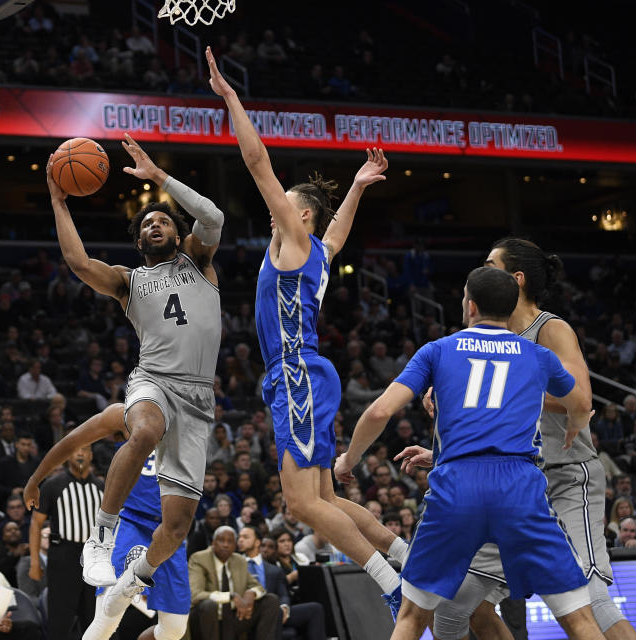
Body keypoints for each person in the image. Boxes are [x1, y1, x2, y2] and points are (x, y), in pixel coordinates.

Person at [205, 46, 407, 617]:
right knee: (324, 499)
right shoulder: (318, 249)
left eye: (287, 207)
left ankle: (393, 586)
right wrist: (360, 186)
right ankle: (409, 558)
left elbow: (257, 162)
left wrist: (232, 99)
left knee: (300, 503)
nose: (276, 212)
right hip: (308, 374)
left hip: (296, 372)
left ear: (302, 219)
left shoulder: (295, 242)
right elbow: (338, 231)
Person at [335, 267, 603, 640]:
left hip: (456, 487)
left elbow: (380, 411)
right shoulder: (539, 356)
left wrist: (349, 459)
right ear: (510, 311)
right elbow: (580, 401)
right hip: (519, 489)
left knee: (412, 617)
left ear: (470, 305)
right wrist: (576, 421)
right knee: (579, 619)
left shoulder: (438, 350)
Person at [426, 239, 636, 640]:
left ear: (516, 278)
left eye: (491, 263)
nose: (482, 268)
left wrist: (513, 390)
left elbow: (581, 398)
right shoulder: (487, 336)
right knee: (466, 599)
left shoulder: (551, 329)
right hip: (514, 484)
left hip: (565, 477)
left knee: (591, 602)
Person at [50, 133, 225, 620]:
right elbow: (78, 263)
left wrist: (160, 179)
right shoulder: (130, 282)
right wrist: (57, 199)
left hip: (197, 399)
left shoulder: (200, 262)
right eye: (147, 222)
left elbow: (212, 217)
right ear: (138, 239)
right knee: (145, 429)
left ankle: (134, 580)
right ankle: (102, 533)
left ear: (177, 234)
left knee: (176, 526)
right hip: (153, 381)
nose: (155, 225)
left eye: (163, 220)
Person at [23, 403, 191, 640]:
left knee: (174, 629)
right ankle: (123, 584)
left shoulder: (189, 417)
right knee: (104, 619)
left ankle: (132, 581)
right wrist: (35, 479)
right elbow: (72, 441)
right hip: (132, 522)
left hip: (170, 531)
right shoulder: (128, 413)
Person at [29, 440, 103, 638]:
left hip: (95, 557)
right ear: (67, 456)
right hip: (63, 556)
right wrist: (35, 562)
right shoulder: (53, 485)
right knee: (60, 618)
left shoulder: (102, 487)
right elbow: (36, 524)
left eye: (85, 450)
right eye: (76, 450)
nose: (80, 454)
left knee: (95, 617)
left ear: (91, 456)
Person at [188, 526, 279, 640]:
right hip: (206, 619)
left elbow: (258, 587)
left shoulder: (239, 560)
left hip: (233, 617)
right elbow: (195, 594)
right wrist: (231, 596)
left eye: (230, 541)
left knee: (271, 600)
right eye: (221, 540)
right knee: (209, 605)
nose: (225, 545)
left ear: (235, 546)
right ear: (213, 542)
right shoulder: (199, 559)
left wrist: (251, 593)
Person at [238, 527, 325, 640]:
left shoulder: (273, 569)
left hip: (276, 611)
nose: (240, 540)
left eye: (245, 537)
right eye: (239, 537)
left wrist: (284, 607)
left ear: (257, 542)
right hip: (251, 611)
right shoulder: (236, 565)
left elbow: (283, 594)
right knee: (272, 611)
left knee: (315, 608)